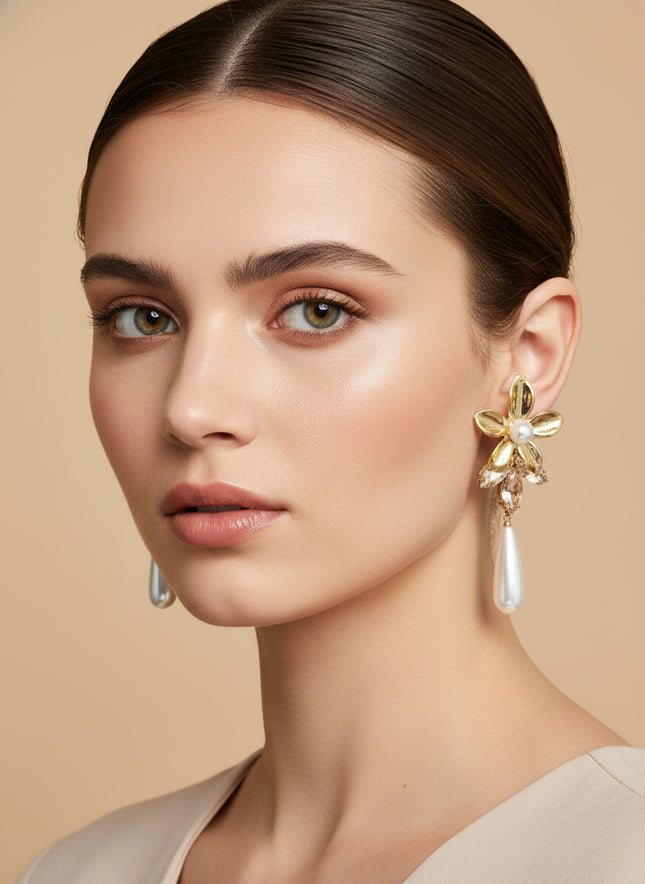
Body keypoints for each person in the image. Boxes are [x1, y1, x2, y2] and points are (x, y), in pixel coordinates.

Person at [16, 0, 645, 881]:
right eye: (141, 316)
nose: (191, 408)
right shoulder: (77, 871)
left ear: (526, 357)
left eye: (317, 311)